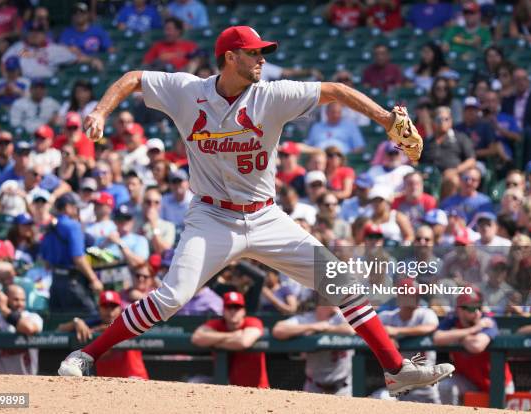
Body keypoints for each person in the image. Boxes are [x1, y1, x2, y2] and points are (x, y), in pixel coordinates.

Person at [58, 25, 454, 397]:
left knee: (343, 282)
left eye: (264, 53)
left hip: (265, 216)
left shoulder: (272, 94)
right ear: (230, 58)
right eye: (254, 53)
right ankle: (86, 354)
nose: (262, 59)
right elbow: (133, 78)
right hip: (212, 216)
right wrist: (100, 111)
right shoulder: (187, 91)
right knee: (169, 298)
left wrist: (386, 118)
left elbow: (334, 90)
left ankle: (395, 369)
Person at [434, 291, 514, 405]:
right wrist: (473, 329)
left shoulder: (487, 320)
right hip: (470, 381)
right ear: (460, 310)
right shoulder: (453, 320)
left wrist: (456, 335)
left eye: (479, 307)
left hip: (498, 384)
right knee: (445, 386)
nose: (477, 312)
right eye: (471, 308)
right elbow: (437, 338)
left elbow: (477, 346)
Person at [372, 278, 441, 403]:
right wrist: (387, 339)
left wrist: (397, 331)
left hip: (424, 385)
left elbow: (430, 326)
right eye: (409, 295)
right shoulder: (387, 316)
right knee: (380, 397)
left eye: (416, 295)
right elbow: (366, 330)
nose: (414, 298)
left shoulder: (425, 314)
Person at [57, 290, 149, 379]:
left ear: (120, 308)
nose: (110, 311)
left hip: (135, 377)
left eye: (113, 306)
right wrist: (76, 322)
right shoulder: (95, 322)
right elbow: (60, 329)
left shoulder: (128, 320)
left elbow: (114, 331)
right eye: (105, 306)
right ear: (99, 308)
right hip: (107, 383)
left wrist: (98, 329)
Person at [40, 193, 103, 313]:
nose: (77, 210)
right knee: (91, 316)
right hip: (72, 282)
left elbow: (46, 262)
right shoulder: (73, 226)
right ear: (68, 207)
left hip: (55, 282)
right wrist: (94, 279)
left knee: (59, 322)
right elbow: (78, 257)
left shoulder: (50, 227)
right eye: (76, 207)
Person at [273, 305, 356, 396]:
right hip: (314, 387)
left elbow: (351, 329)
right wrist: (313, 327)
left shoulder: (342, 315)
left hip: (342, 388)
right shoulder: (307, 318)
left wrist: (326, 328)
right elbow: (278, 330)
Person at [191, 291, 268, 388]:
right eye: (229, 307)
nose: (233, 311)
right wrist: (231, 335)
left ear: (243, 311)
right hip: (229, 389)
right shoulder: (217, 324)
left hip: (257, 389)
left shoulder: (253, 322)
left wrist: (215, 342)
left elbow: (243, 342)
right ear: (223, 310)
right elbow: (197, 337)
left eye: (237, 307)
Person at [501, 68, 531, 163]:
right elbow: (504, 120)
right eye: (518, 80)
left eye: (524, 79)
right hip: (510, 135)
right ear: (513, 82)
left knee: (529, 133)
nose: (521, 82)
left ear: (528, 81)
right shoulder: (507, 101)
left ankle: (529, 165)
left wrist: (525, 131)